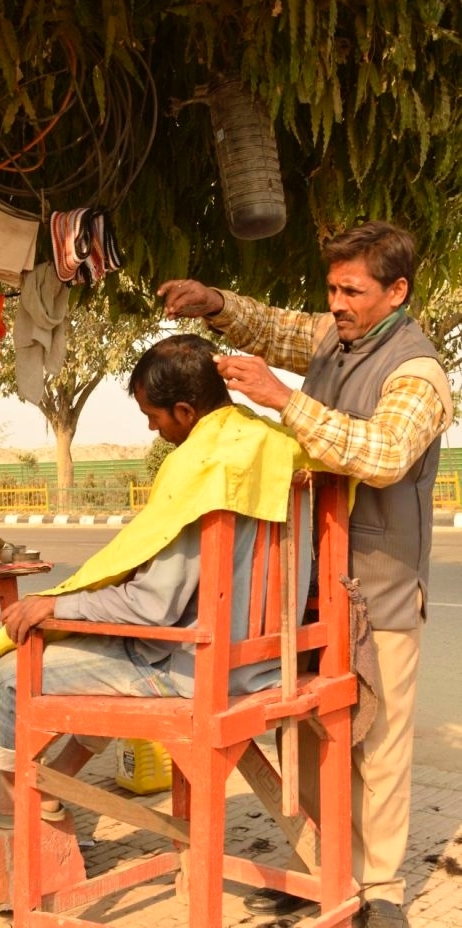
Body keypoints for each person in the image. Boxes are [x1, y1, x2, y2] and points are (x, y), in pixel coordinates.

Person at [157, 221, 453, 928]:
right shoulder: (334, 335)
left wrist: (284, 399)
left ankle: (380, 889)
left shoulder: (419, 373)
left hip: (379, 588)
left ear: (397, 291)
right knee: (317, 737)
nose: (338, 302)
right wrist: (212, 301)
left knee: (379, 748)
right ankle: (333, 876)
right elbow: (273, 324)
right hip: (312, 584)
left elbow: (380, 454)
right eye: (333, 288)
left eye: (353, 290)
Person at [0, 334, 320, 827]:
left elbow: (152, 607)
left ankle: (21, 799)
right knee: (105, 651)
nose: (155, 431)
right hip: (274, 660)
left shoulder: (201, 467)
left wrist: (56, 608)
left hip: (199, 671)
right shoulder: (281, 445)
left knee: (7, 675)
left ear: (184, 410)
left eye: (155, 419)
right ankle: (60, 779)